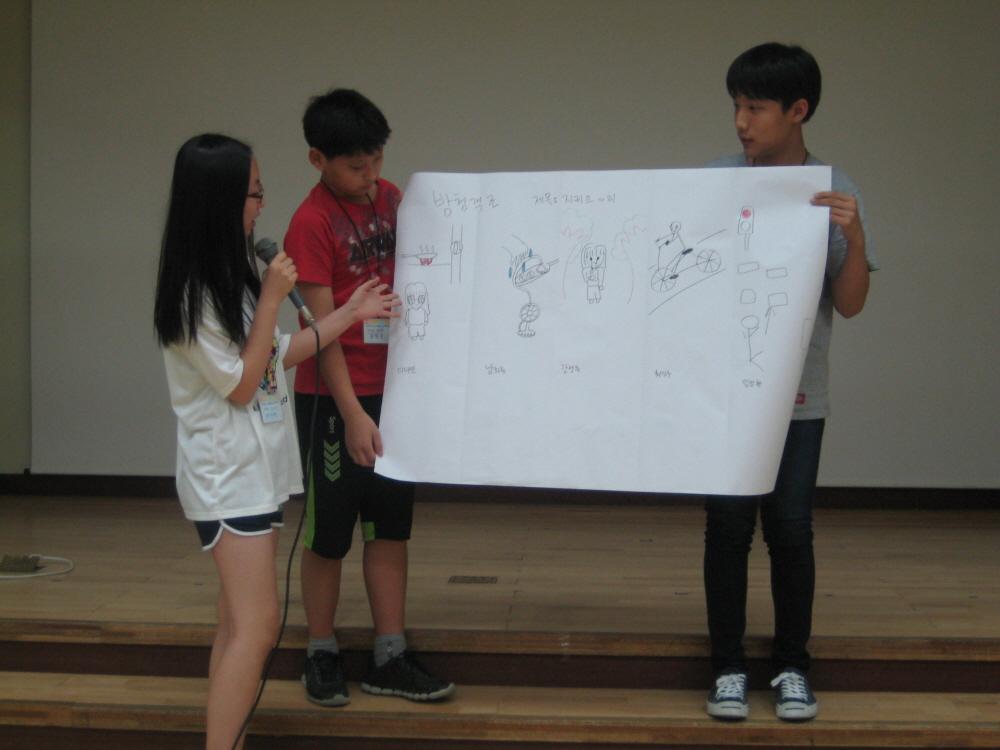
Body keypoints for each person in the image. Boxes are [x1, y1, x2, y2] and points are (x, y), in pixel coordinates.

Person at [154, 133, 400, 750]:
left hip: (255, 473)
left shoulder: (229, 278)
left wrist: (346, 314)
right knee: (259, 627)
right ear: (219, 202)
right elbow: (242, 385)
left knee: (236, 625)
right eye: (254, 194)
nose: (262, 205)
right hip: (226, 476)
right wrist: (269, 297)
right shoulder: (192, 294)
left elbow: (273, 356)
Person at [701, 43, 879, 722]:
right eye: (736, 106)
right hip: (724, 392)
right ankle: (727, 667)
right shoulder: (716, 180)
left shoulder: (833, 188)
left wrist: (854, 240)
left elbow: (852, 304)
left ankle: (792, 667)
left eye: (756, 107)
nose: (741, 122)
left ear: (798, 110)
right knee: (726, 527)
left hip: (798, 395)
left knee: (791, 529)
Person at [284, 89, 455, 706]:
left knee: (390, 528)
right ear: (317, 159)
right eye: (356, 165)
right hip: (335, 401)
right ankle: (321, 650)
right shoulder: (310, 223)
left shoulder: (391, 200)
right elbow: (319, 332)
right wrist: (353, 413)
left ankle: (390, 653)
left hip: (396, 390)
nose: (371, 173)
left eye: (377, 158)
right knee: (328, 534)